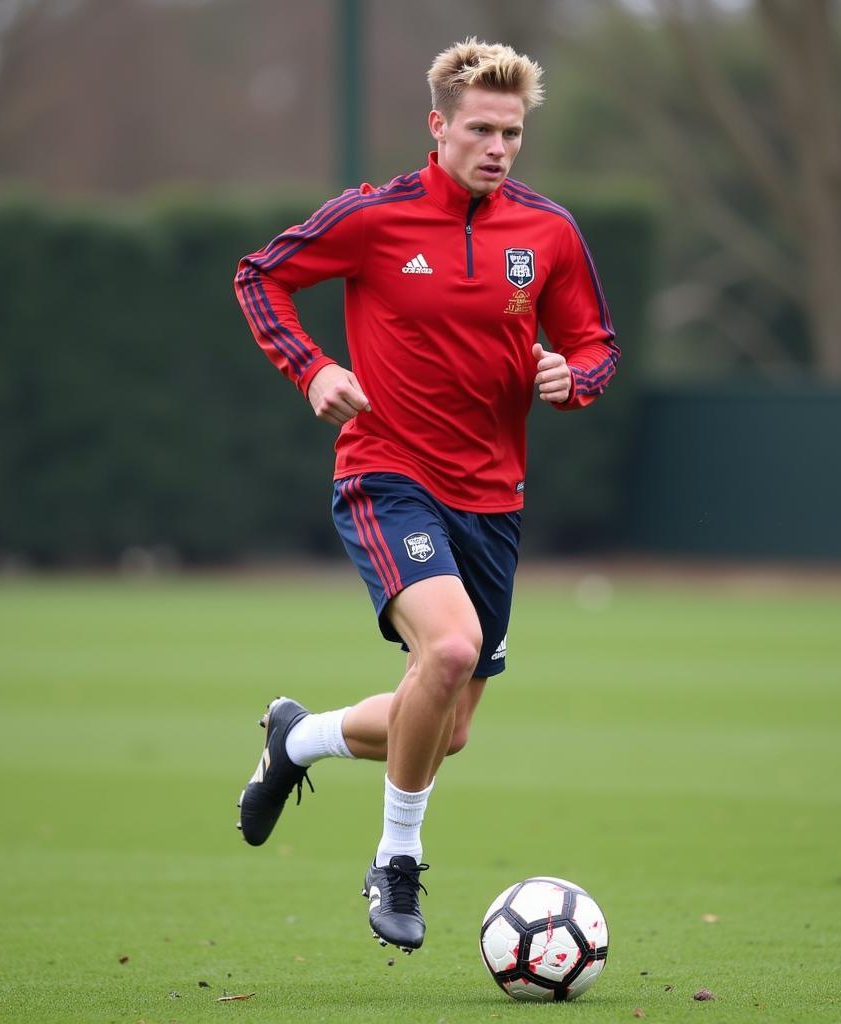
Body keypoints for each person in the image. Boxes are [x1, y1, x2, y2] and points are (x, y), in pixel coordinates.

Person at [232, 37, 618, 956]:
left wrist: (576, 377)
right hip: (388, 473)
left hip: (495, 498)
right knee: (448, 648)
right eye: (481, 129)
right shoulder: (375, 217)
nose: (498, 147)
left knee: (442, 730)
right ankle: (396, 860)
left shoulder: (549, 232)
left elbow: (597, 345)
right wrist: (313, 367)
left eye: (513, 132)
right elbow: (261, 277)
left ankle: (298, 741)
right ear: (438, 127)